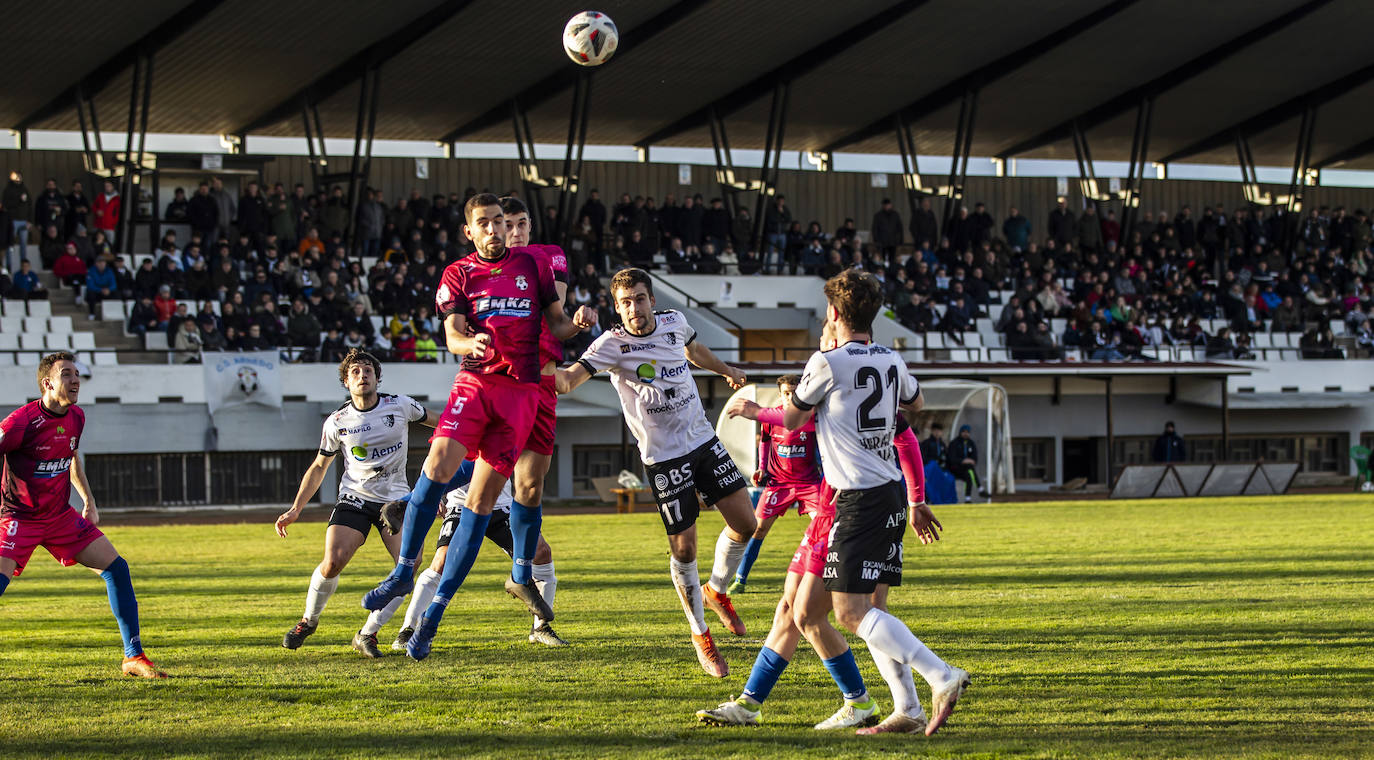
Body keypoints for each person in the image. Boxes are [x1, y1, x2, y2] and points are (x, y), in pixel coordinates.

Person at [360, 193, 592, 661]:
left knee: (482, 504)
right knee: (438, 465)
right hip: (475, 382)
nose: (493, 230)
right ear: (470, 230)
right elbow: (451, 336)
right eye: (483, 223)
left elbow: (558, 324)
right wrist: (471, 339)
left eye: (499, 223)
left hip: (521, 396)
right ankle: (404, 569)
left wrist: (579, 326)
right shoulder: (459, 273)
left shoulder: (535, 267)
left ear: (510, 228)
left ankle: (433, 616)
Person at [697, 321, 933, 731]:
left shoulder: (836, 373)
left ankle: (896, 693)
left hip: (848, 508)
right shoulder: (844, 374)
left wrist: (755, 410)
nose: (823, 340)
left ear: (840, 334)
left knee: (823, 613)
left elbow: (902, 435)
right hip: (834, 507)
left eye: (828, 330)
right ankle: (752, 704)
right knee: (791, 609)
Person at [784, 269, 969, 735]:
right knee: (874, 610)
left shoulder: (826, 362)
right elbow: (918, 403)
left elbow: (790, 418)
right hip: (889, 494)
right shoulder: (891, 359)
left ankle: (942, 675)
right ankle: (907, 710)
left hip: (859, 500)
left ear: (833, 313)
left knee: (848, 612)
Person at [555, 267, 758, 677]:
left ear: (652, 299)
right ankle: (700, 632)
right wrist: (535, 357)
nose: (635, 308)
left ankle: (716, 591)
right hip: (664, 458)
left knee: (746, 523)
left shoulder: (674, 323)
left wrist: (725, 370)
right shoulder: (611, 344)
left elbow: (694, 351)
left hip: (702, 439)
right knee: (684, 550)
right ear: (617, 307)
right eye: (626, 303)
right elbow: (566, 382)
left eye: (641, 299)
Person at [0, 352, 167, 678]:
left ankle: (133, 657)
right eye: (67, 374)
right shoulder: (21, 422)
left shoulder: (76, 417)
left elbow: (71, 457)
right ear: (48, 383)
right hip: (19, 517)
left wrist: (88, 500)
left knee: (116, 568)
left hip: (60, 516)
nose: (75, 380)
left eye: (77, 374)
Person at [273, 349, 438, 657]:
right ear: (346, 382)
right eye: (355, 373)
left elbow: (441, 425)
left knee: (409, 566)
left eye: (368, 371)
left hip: (397, 501)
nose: (362, 376)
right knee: (333, 561)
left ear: (377, 378)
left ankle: (367, 633)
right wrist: (296, 508)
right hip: (355, 499)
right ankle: (309, 621)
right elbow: (319, 466)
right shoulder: (337, 422)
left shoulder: (401, 405)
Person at [395, 473, 567, 650]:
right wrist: (432, 494)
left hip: (501, 506)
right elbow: (437, 462)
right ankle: (409, 629)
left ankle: (541, 627)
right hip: (463, 505)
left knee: (541, 553)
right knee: (442, 560)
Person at [722, 374, 823, 595]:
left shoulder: (811, 417)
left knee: (824, 529)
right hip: (779, 484)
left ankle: (825, 579)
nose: (791, 397)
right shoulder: (771, 417)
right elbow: (765, 442)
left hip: (809, 483)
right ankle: (740, 579)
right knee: (757, 529)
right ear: (780, 395)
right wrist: (761, 468)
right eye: (787, 393)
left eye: (795, 392)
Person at [946, 424, 981, 503]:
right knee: (969, 468)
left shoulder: (971, 443)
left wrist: (969, 461)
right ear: (960, 432)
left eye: (967, 432)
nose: (965, 434)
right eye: (964, 432)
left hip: (965, 469)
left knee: (969, 474)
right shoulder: (954, 443)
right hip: (954, 469)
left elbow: (975, 458)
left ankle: (967, 499)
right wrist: (963, 461)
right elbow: (952, 459)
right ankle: (979, 488)